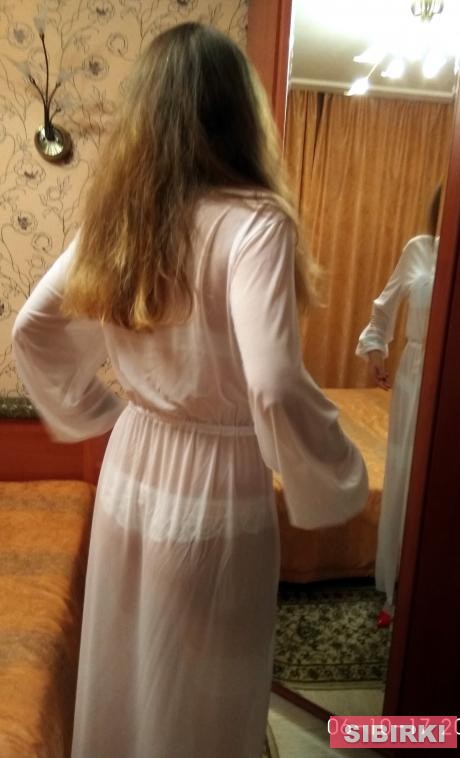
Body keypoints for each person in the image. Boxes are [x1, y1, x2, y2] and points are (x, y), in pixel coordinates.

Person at [13, 23, 368, 758]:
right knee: (207, 690)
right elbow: (273, 382)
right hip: (217, 481)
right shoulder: (254, 222)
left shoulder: (121, 219)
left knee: (128, 665)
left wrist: (99, 410)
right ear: (240, 111)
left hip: (131, 467)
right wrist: (331, 469)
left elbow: (33, 327)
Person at [356, 187, 442, 628]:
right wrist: (376, 350)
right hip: (417, 372)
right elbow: (383, 307)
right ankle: (400, 588)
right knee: (410, 473)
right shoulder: (420, 249)